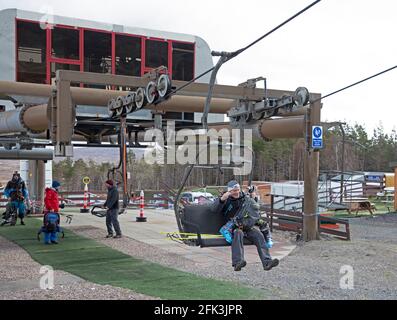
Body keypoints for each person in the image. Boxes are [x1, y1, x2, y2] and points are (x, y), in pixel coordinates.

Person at [214, 180, 279, 272]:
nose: (236, 192)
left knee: (259, 235)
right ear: (229, 191)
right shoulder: (226, 200)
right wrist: (221, 200)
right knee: (238, 233)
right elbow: (214, 209)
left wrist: (253, 196)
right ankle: (237, 262)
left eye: (237, 190)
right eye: (233, 191)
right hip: (233, 227)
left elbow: (254, 208)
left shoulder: (244, 199)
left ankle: (267, 262)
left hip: (247, 225)